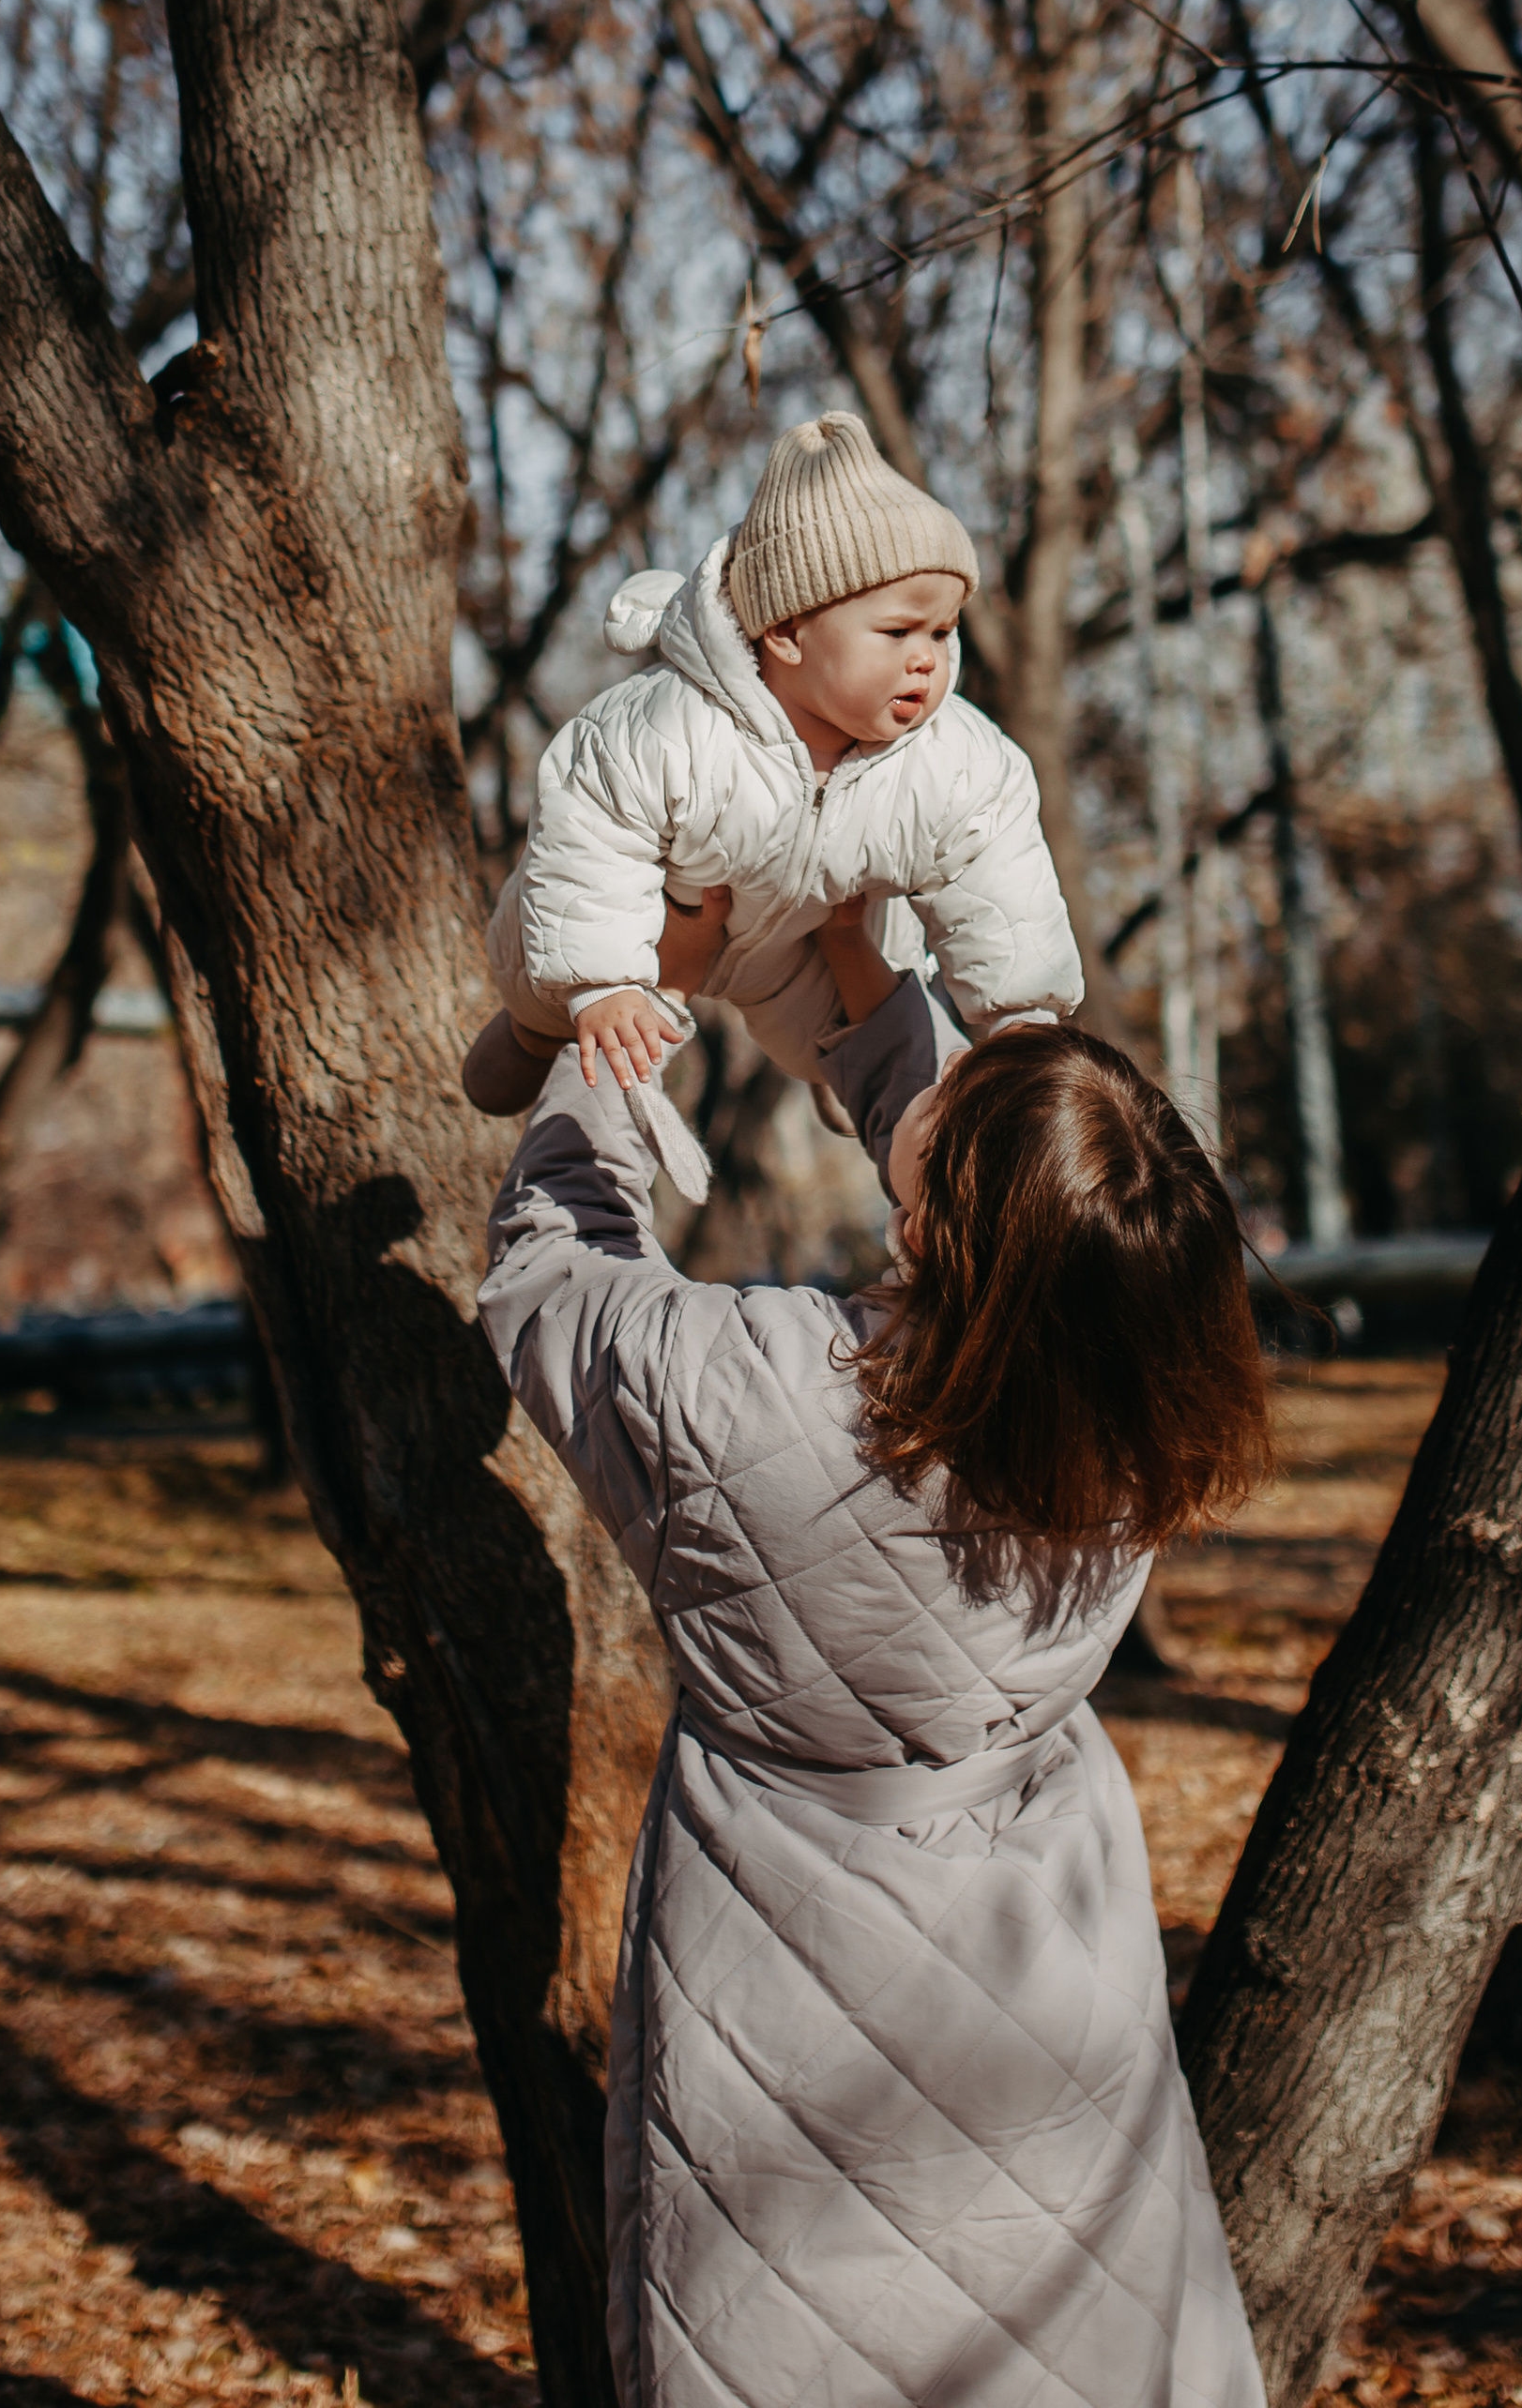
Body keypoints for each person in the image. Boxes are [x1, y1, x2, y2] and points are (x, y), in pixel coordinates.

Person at [479, 885, 1271, 2408]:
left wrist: (612, 1024)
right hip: (1041, 1961)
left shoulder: (748, 1391)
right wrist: (862, 975)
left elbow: (548, 1265)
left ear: (937, 1216)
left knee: (792, 2341)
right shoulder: (1136, 1410)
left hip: (783, 1947)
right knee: (1064, 2329)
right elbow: (1020, 1216)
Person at [462, 410, 1084, 1118]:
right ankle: (530, 1035)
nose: (927, 658)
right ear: (788, 632)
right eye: (898, 631)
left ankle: (847, 1071)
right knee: (555, 983)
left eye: (942, 631)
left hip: (807, 944)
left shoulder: (955, 760)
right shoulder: (675, 724)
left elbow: (1000, 883)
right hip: (659, 918)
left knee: (871, 1010)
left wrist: (1021, 1022)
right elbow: (591, 827)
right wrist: (601, 981)